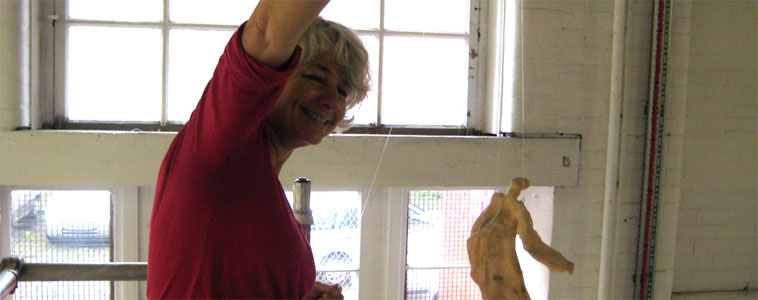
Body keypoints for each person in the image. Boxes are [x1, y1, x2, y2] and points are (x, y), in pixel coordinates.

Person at [146, 0, 370, 298]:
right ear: (276, 76)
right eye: (316, 77)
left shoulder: (262, 183)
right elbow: (266, 30)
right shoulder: (223, 144)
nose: (332, 100)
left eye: (342, 91)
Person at [467, 177, 574, 299]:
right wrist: (562, 263)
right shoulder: (515, 209)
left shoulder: (492, 208)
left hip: (484, 273)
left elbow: (472, 241)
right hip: (500, 274)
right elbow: (532, 245)